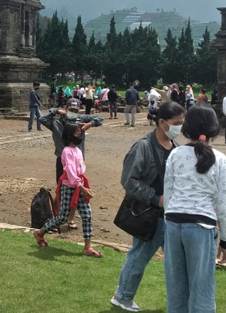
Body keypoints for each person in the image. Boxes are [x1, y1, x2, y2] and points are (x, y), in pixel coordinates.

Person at [111, 101, 185, 312]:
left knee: (176, 261)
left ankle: (178, 303)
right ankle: (122, 296)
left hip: (171, 215)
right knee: (139, 255)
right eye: (177, 123)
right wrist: (156, 198)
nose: (180, 127)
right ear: (162, 123)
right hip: (149, 214)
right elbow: (129, 181)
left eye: (182, 123)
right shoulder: (142, 147)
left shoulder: (176, 148)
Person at [163, 104, 226, 313]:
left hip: (174, 223)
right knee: (201, 287)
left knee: (176, 287)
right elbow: (224, 203)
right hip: (201, 225)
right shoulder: (220, 159)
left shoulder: (175, 154)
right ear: (214, 128)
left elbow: (169, 194)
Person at [32, 123, 102, 258]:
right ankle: (40, 233)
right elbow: (70, 171)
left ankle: (88, 247)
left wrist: (82, 185)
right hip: (69, 187)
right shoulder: (66, 151)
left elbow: (80, 168)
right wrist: (81, 187)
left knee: (87, 214)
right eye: (76, 133)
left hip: (79, 185)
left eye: (79, 133)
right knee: (63, 217)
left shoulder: (78, 151)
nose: (79, 135)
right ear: (69, 135)